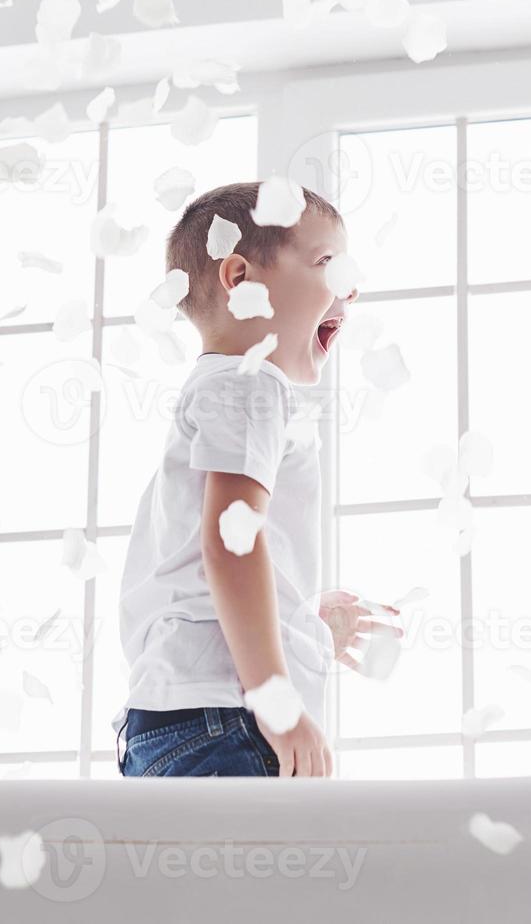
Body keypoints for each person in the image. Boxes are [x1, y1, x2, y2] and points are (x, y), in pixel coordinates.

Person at [114, 182, 400, 776]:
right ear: (240, 278)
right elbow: (229, 542)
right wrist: (277, 699)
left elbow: (198, 562)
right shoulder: (253, 382)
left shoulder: (218, 388)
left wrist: (299, 620)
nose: (349, 285)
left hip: (173, 717)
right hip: (226, 716)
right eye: (327, 263)